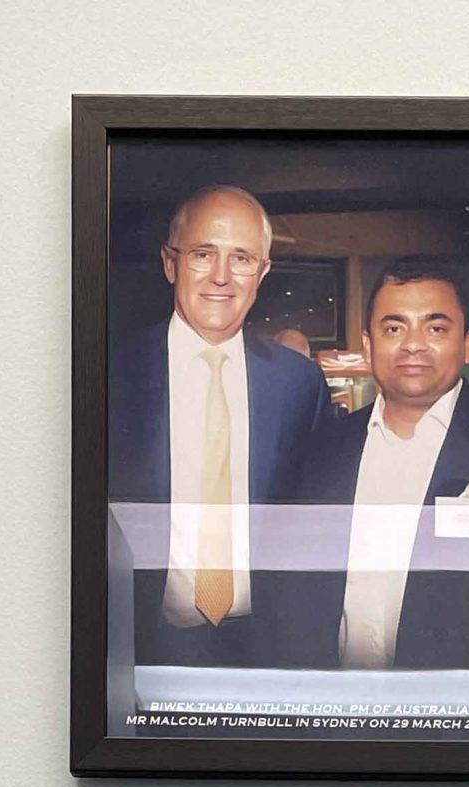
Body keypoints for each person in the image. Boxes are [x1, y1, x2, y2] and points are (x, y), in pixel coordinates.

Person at [108, 186, 331, 668]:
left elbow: (315, 523)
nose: (222, 277)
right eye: (203, 254)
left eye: (242, 258)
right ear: (170, 263)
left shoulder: (298, 385)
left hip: (268, 648)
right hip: (137, 644)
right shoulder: (111, 373)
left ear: (263, 272)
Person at [281, 263, 469, 673]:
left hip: (454, 704)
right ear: (368, 345)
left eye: (435, 328)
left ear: (468, 345)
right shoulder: (323, 449)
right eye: (394, 328)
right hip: (331, 699)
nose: (413, 345)